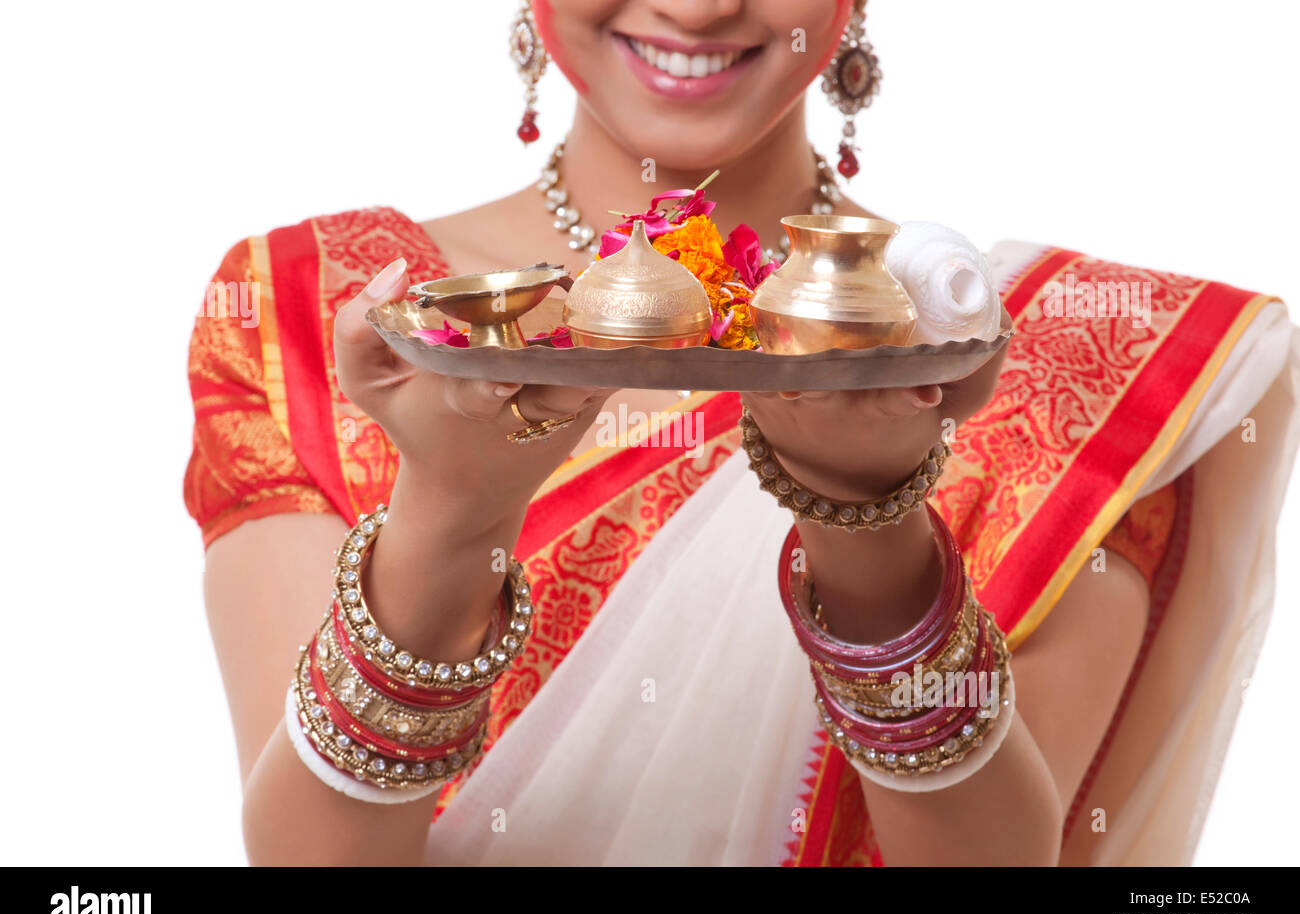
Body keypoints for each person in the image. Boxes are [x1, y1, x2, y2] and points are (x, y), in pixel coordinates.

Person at [184, 0, 1300, 865]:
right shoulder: (328, 315)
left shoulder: (1019, 359)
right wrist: (447, 514)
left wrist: (871, 531)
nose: (700, 6)